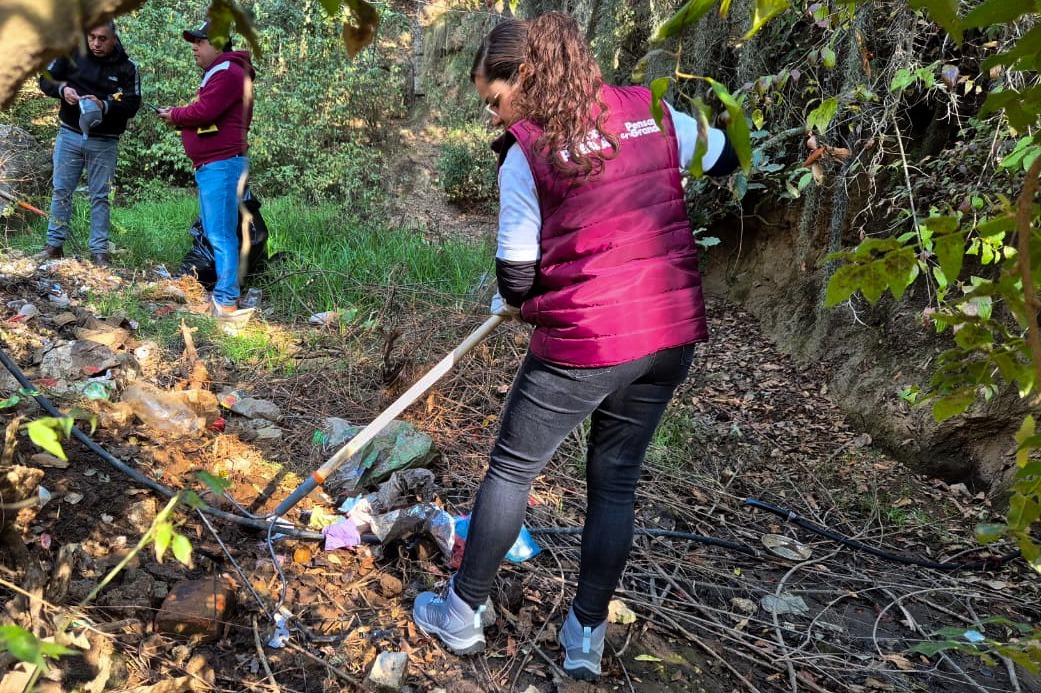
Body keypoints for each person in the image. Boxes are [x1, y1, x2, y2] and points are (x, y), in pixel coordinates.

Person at [412, 12, 739, 682]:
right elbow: (728, 154)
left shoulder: (527, 154)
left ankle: (460, 612)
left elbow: (515, 279)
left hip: (587, 338)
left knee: (511, 470)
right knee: (614, 482)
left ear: (523, 79)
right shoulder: (652, 111)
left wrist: (520, 304)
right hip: (668, 329)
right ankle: (584, 633)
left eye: (495, 100)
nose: (494, 116)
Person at [158, 21, 254, 319]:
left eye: (200, 42)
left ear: (218, 43)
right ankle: (225, 294)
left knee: (221, 235)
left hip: (222, 165)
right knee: (219, 232)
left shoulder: (228, 72)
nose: (194, 47)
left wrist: (174, 115)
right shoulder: (222, 72)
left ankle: (226, 300)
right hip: (216, 164)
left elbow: (204, 112)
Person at [37, 21, 141, 267]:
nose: (96, 44)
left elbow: (133, 104)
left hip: (105, 141)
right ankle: (54, 246)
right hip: (69, 134)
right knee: (61, 190)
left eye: (102, 39)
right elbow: (45, 80)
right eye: (91, 37)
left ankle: (99, 253)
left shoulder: (127, 67)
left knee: (100, 196)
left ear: (114, 39)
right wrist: (63, 91)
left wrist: (104, 105)